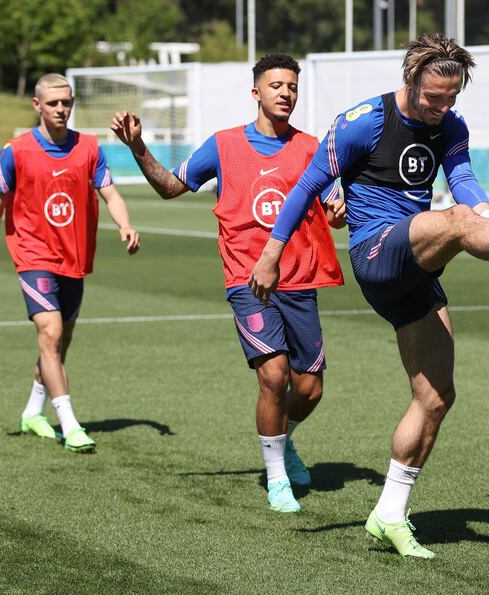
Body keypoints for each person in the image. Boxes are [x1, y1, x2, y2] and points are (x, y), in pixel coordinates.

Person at [249, 34, 489, 557]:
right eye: (434, 97)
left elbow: (463, 181)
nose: (442, 108)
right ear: (410, 80)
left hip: (416, 263)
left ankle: (389, 512)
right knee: (456, 223)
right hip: (375, 252)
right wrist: (272, 252)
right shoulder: (362, 120)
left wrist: (486, 213)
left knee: (436, 396)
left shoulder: (451, 126)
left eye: (452, 98)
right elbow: (305, 186)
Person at [110, 54, 346, 513]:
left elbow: (335, 208)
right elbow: (171, 187)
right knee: (273, 378)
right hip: (247, 279)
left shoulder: (312, 148)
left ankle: (283, 441)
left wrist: (338, 212)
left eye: (292, 87)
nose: (285, 93)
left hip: (300, 279)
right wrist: (139, 149)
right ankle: (277, 479)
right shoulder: (224, 145)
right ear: (256, 92)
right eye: (276, 85)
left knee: (310, 388)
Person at [0, 73, 140, 454]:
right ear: (37, 105)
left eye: (66, 102)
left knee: (59, 344)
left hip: (74, 258)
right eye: (53, 104)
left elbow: (110, 193)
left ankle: (33, 411)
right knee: (49, 334)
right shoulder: (16, 152)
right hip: (33, 255)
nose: (61, 109)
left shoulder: (90, 148)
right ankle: (69, 422)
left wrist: (125, 224)